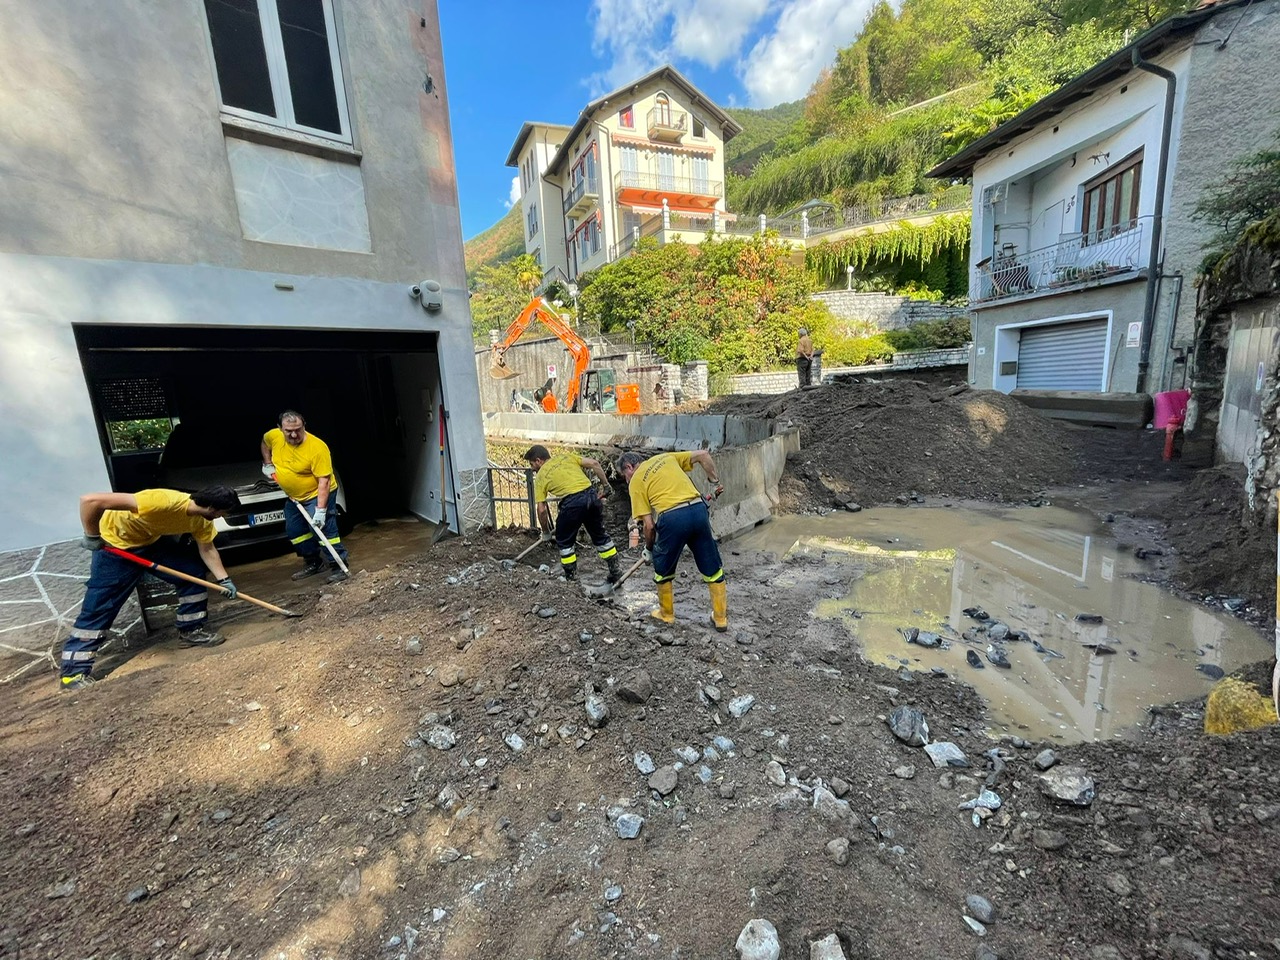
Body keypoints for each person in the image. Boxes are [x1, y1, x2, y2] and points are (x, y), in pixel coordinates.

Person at [58, 485, 242, 691]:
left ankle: (192, 630)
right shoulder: (161, 500)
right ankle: (73, 673)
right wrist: (92, 535)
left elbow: (207, 549)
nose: (220, 517)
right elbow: (90, 500)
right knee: (100, 605)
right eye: (222, 514)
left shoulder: (201, 520)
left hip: (150, 543)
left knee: (193, 575)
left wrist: (223, 579)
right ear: (212, 508)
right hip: (114, 547)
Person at [617, 450, 727, 631]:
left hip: (672, 518)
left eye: (624, 476)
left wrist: (650, 549)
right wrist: (715, 482)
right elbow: (703, 455)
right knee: (712, 567)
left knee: (663, 569)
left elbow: (649, 526)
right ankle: (721, 618)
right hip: (698, 510)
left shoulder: (636, 482)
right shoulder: (666, 457)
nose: (626, 480)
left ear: (629, 467)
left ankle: (666, 615)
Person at [261, 411, 348, 583]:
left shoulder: (317, 448)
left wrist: (321, 511)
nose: (294, 435)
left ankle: (339, 566)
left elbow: (323, 481)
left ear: (304, 426)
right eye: (288, 431)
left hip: (318, 493)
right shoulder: (274, 436)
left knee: (323, 529)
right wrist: (267, 463)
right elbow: (265, 442)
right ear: (280, 429)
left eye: (298, 430)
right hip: (294, 497)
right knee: (295, 531)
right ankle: (313, 562)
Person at [523, 444, 621, 583]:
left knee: (565, 541)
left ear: (539, 460)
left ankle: (572, 579)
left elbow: (541, 509)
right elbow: (594, 463)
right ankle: (615, 571)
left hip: (572, 504)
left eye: (532, 464)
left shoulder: (541, 476)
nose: (532, 469)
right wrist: (606, 486)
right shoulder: (566, 457)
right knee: (599, 535)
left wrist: (545, 532)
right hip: (591, 497)